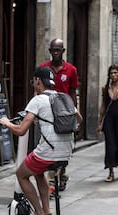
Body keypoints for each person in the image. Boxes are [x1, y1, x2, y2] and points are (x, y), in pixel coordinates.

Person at [0, 66, 82, 215]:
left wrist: (7, 123)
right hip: (66, 151)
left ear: (38, 81)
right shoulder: (63, 97)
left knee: (21, 174)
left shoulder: (37, 100)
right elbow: (79, 119)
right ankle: (47, 211)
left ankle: (39, 213)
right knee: (38, 172)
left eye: (33, 81)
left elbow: (21, 130)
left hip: (48, 152)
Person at [40, 38, 79, 191]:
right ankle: (51, 181)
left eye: (58, 50)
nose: (55, 53)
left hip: (64, 113)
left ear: (63, 51)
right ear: (50, 51)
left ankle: (61, 174)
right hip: (48, 111)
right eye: (53, 50)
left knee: (63, 146)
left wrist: (74, 113)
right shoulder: (44, 68)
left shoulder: (71, 70)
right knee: (51, 145)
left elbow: (73, 92)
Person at [96, 65, 118, 182]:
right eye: (111, 73)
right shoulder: (105, 88)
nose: (113, 75)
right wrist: (100, 122)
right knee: (110, 146)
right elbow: (103, 106)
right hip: (109, 120)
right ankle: (111, 171)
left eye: (116, 73)